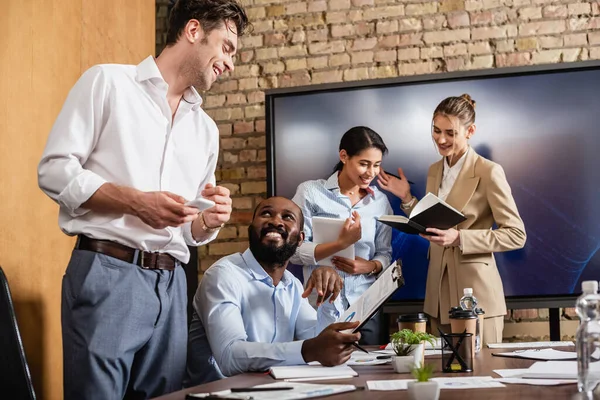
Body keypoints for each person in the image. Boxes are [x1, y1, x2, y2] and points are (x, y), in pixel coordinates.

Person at [36, 1, 249, 398]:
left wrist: (210, 220)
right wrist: (135, 201)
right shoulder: (107, 83)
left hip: (172, 286)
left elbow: (188, 227)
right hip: (107, 271)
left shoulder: (205, 130)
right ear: (192, 31)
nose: (229, 63)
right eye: (226, 47)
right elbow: (54, 170)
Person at [378, 94, 526, 344]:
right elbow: (433, 222)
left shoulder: (488, 171)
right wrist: (407, 198)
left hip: (475, 294)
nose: (441, 139)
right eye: (436, 131)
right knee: (442, 375)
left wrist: (460, 238)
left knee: (482, 375)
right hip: (437, 292)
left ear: (470, 131)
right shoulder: (435, 170)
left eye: (450, 133)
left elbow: (516, 234)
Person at [184, 196, 361, 386]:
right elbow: (229, 357)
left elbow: (317, 341)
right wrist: (308, 350)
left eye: (287, 217)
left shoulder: (292, 285)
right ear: (251, 229)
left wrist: (327, 297)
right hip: (219, 393)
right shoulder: (223, 276)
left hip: (275, 389)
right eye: (266, 213)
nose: (276, 221)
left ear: (301, 239)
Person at [291, 126, 393, 345]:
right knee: (324, 374)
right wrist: (341, 243)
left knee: (371, 373)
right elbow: (294, 252)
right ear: (344, 156)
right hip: (322, 306)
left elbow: (385, 254)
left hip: (367, 308)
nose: (371, 172)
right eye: (364, 164)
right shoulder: (310, 192)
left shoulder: (380, 202)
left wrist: (370, 266)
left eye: (376, 165)